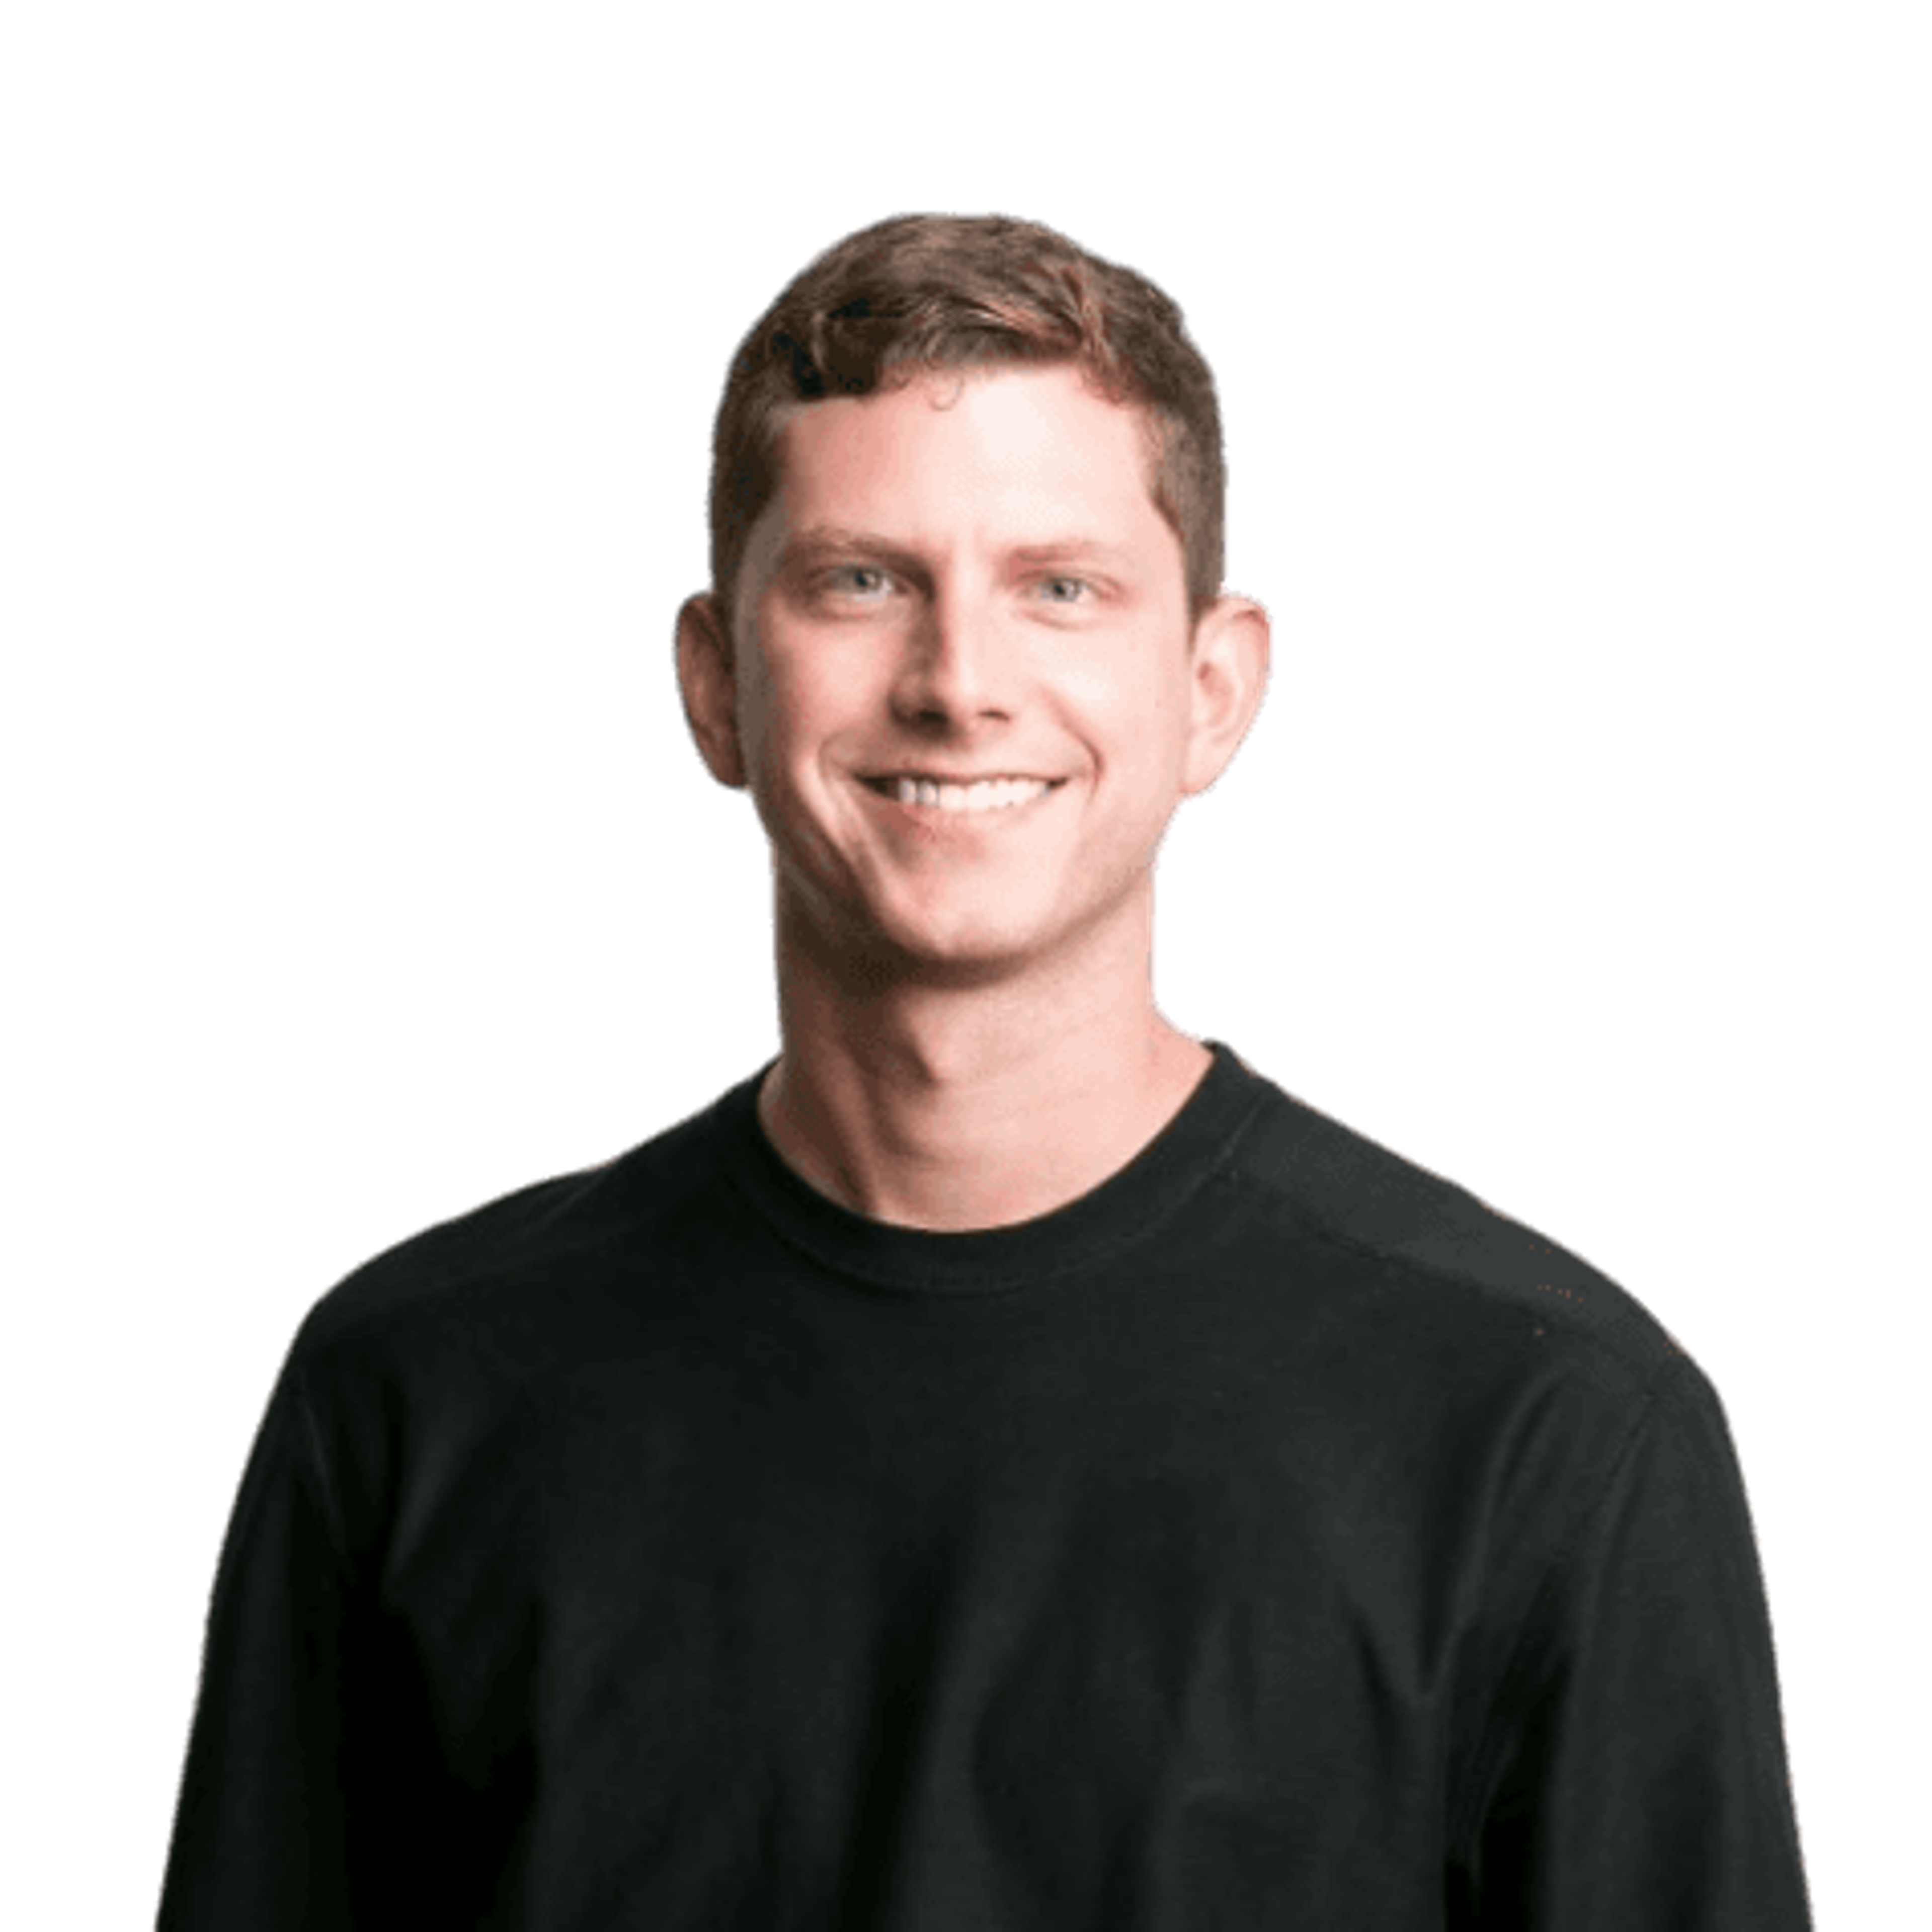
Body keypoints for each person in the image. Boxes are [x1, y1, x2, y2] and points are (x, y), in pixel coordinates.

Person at [154, 211, 1813, 1927]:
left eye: (1060, 589)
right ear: (714, 684)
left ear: (1215, 688)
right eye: (861, 582)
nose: (959, 685)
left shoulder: (1549, 1425)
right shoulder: (412, 1396)